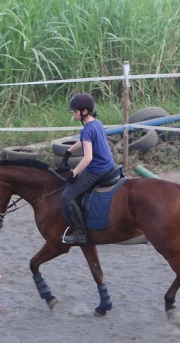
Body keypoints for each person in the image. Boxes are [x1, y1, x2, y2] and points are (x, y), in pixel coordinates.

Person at [61, 92, 117, 245]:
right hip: (108, 164)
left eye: (75, 111)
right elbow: (84, 141)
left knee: (67, 196)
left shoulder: (87, 129)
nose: (73, 114)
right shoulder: (96, 123)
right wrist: (68, 151)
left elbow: (88, 157)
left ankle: (80, 233)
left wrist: (74, 172)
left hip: (97, 169)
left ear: (84, 111)